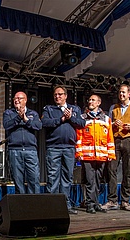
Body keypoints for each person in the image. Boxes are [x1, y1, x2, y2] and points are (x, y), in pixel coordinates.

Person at [41, 85, 85, 214]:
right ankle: (52, 205)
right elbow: (44, 123)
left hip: (69, 148)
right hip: (53, 148)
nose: (57, 96)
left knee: (67, 177)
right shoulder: (49, 109)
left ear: (65, 96)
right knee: (53, 177)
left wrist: (71, 117)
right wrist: (61, 119)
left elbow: (82, 124)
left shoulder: (74, 109)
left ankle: (66, 205)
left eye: (60, 94)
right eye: (55, 94)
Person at [102, 84, 130, 211]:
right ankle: (112, 200)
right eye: (120, 93)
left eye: (123, 93)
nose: (121, 95)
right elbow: (107, 125)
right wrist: (113, 124)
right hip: (115, 140)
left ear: (129, 94)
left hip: (129, 140)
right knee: (111, 169)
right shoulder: (113, 108)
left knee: (127, 171)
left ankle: (125, 201)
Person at [75, 94, 115, 214]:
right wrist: (79, 152)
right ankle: (90, 204)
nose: (90, 102)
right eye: (89, 100)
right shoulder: (82, 118)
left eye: (93, 100)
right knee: (89, 180)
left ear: (99, 103)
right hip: (87, 155)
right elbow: (79, 136)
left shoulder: (106, 119)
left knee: (98, 180)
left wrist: (110, 154)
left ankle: (96, 203)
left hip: (102, 155)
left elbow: (110, 137)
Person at [3, 91, 42, 194]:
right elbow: (7, 125)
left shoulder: (33, 113)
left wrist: (25, 119)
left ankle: (33, 204)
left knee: (33, 179)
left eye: (19, 98)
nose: (17, 100)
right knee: (18, 179)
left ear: (25, 100)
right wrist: (18, 118)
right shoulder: (8, 113)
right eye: (15, 98)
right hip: (15, 150)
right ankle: (21, 205)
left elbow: (38, 126)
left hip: (31, 150)